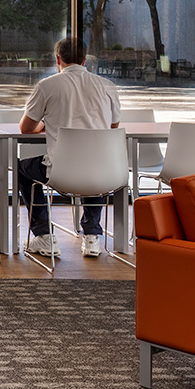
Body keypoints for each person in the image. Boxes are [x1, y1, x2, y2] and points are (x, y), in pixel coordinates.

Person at [17, 36, 121, 258]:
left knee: (21, 169)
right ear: (85, 60)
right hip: (101, 171)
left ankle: (44, 236)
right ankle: (92, 236)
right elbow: (113, 125)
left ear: (58, 59)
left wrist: (46, 125)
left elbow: (26, 128)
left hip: (60, 173)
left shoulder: (47, 86)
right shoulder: (107, 86)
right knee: (94, 164)